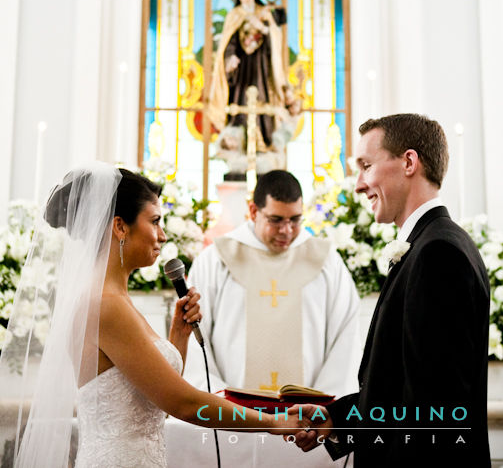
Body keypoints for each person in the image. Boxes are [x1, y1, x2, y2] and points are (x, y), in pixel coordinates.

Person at [0, 164, 301, 468]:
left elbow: (153, 403)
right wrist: (274, 423)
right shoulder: (106, 306)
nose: (163, 234)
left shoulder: (116, 300)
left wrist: (178, 337)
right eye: (155, 221)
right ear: (120, 226)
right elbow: (182, 403)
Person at [289, 114, 491, 467]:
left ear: (409, 162)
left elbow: (434, 411)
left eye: (366, 166)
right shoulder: (432, 243)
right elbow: (400, 389)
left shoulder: (437, 253)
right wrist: (335, 418)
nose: (359, 184)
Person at [184, 169, 361, 402]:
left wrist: (323, 406)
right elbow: (197, 340)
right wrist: (220, 401)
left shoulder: (327, 261)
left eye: (295, 220)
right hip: (232, 416)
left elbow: (345, 339)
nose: (286, 231)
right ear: (253, 211)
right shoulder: (216, 259)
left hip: (307, 421)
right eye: (276, 220)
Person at [209, 0, 288, 151]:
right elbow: (229, 42)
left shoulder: (263, 12)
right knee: (240, 101)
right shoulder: (234, 15)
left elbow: (275, 36)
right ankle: (238, 145)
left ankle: (264, 141)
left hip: (261, 66)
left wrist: (264, 29)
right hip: (241, 70)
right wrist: (230, 58)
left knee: (263, 99)